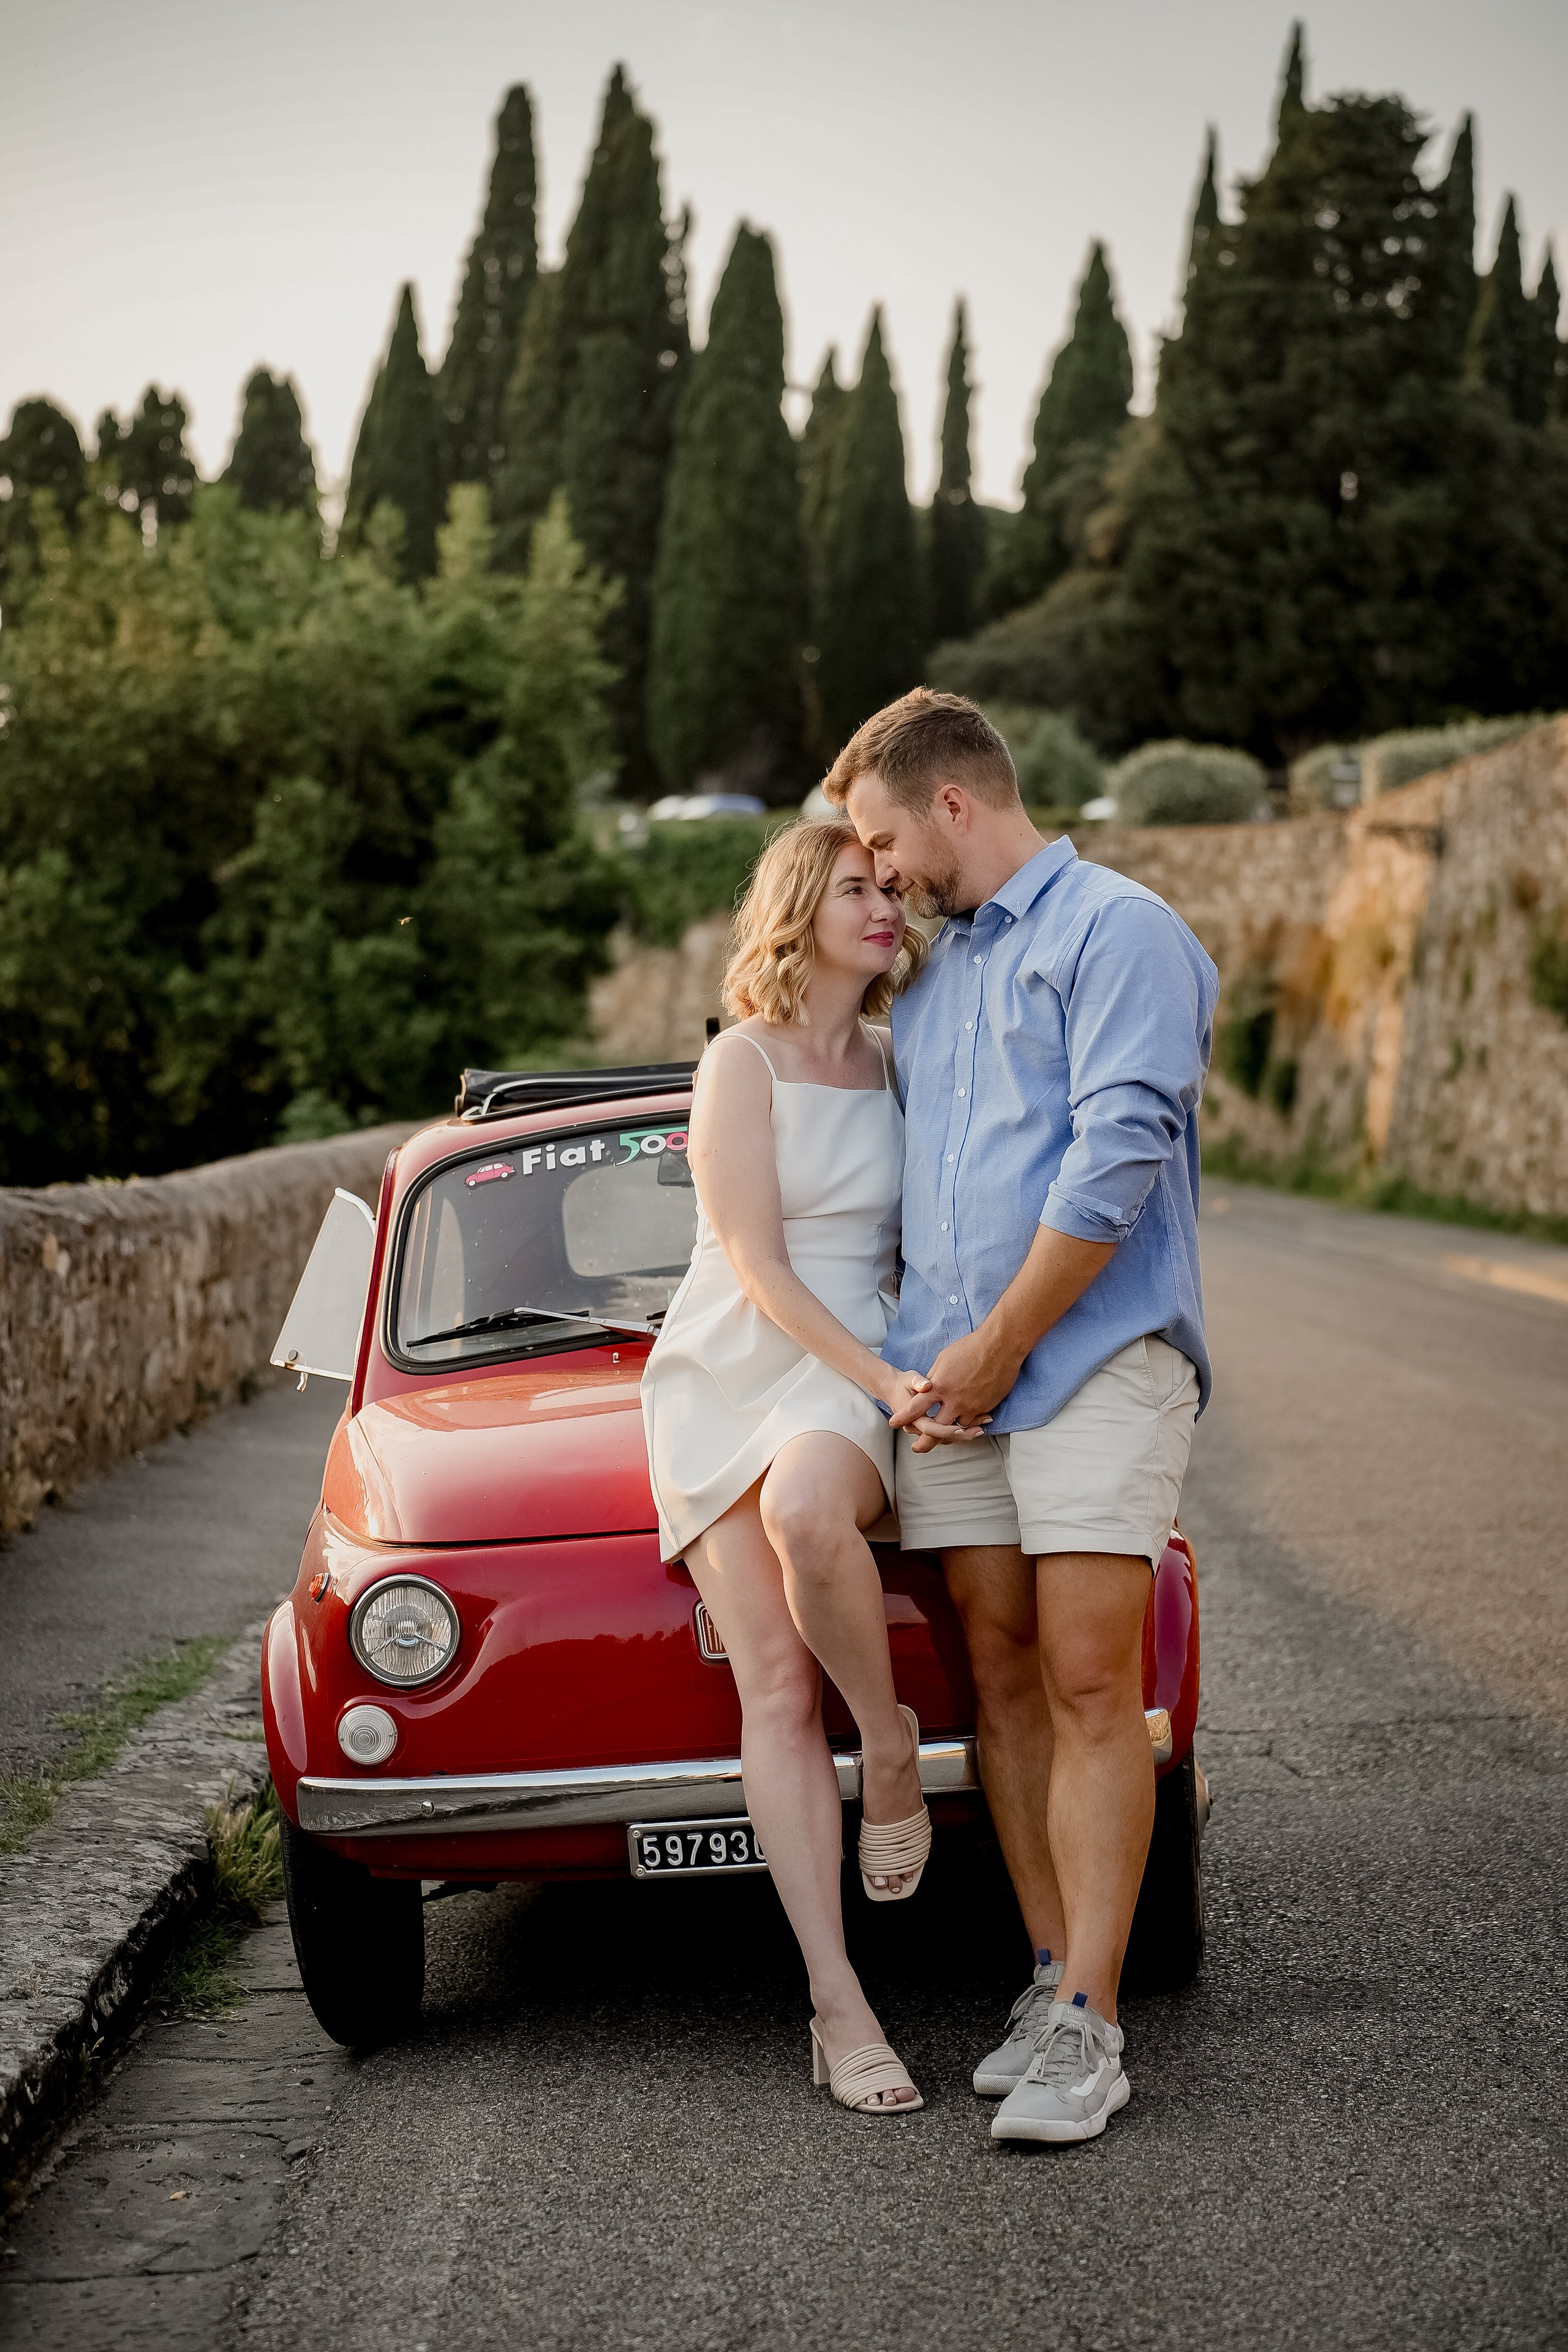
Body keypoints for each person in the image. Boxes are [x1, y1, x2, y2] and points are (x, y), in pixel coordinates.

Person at [826, 689, 1218, 2146]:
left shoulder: (1117, 932)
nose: (875, 873)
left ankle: (1092, 2032)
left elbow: (1117, 1157)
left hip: (1092, 1366)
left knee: (1084, 1678)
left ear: (949, 804)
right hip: (951, 1385)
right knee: (993, 1674)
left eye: (879, 838)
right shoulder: (925, 981)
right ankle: (1050, 1975)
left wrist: (995, 1349)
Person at [641, 820, 984, 2117]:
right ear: (798, 908)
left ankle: (888, 1741)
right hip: (730, 1364)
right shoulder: (740, 1063)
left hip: (853, 1365)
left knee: (806, 1507)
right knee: (773, 1689)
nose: (883, 907)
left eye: (888, 890)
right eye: (855, 888)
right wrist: (885, 1373)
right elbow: (756, 1266)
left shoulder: (901, 1061)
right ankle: (838, 2008)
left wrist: (919, 1366)